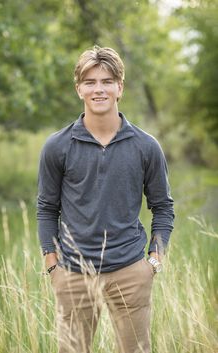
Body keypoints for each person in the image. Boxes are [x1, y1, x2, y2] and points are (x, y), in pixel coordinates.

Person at [37, 46, 174, 353]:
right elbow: (47, 208)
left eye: (107, 81)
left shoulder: (145, 146)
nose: (98, 88)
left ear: (119, 87)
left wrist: (154, 259)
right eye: (90, 81)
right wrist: (52, 265)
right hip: (73, 273)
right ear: (78, 89)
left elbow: (163, 206)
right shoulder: (57, 146)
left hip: (129, 271)